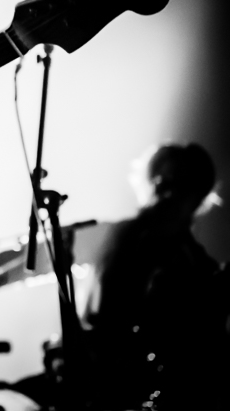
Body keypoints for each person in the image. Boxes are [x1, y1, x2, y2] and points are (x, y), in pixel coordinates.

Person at [79, 142, 228, 409]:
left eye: (178, 186)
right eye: (163, 183)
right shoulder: (125, 239)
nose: (167, 193)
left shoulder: (198, 264)